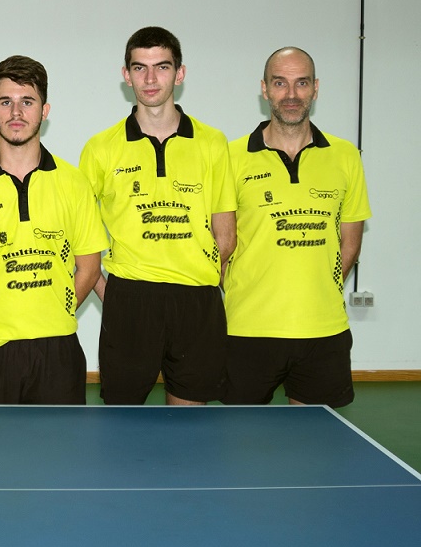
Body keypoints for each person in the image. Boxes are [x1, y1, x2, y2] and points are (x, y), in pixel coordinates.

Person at [79, 26, 236, 405]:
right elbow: (77, 233)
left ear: (179, 74)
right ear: (126, 74)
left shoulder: (212, 142)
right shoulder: (101, 148)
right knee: (123, 420)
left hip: (197, 299)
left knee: (189, 421)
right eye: (140, 68)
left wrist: (200, 279)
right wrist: (110, 292)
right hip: (130, 299)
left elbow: (226, 232)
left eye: (162, 67)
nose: (150, 79)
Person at [0, 56, 107, 405]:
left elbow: (89, 267)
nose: (16, 112)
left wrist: (51, 308)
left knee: (56, 456)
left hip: (56, 349)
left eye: (27, 102)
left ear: (44, 110)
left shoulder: (74, 183)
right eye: (6, 102)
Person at [223, 47, 370, 407]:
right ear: (265, 89)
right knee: (242, 448)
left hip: (324, 331)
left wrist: (321, 289)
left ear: (315, 88)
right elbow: (220, 242)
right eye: (280, 83)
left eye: (301, 83)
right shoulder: (230, 156)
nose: (291, 94)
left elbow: (349, 243)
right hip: (247, 330)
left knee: (314, 452)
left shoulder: (346, 155)